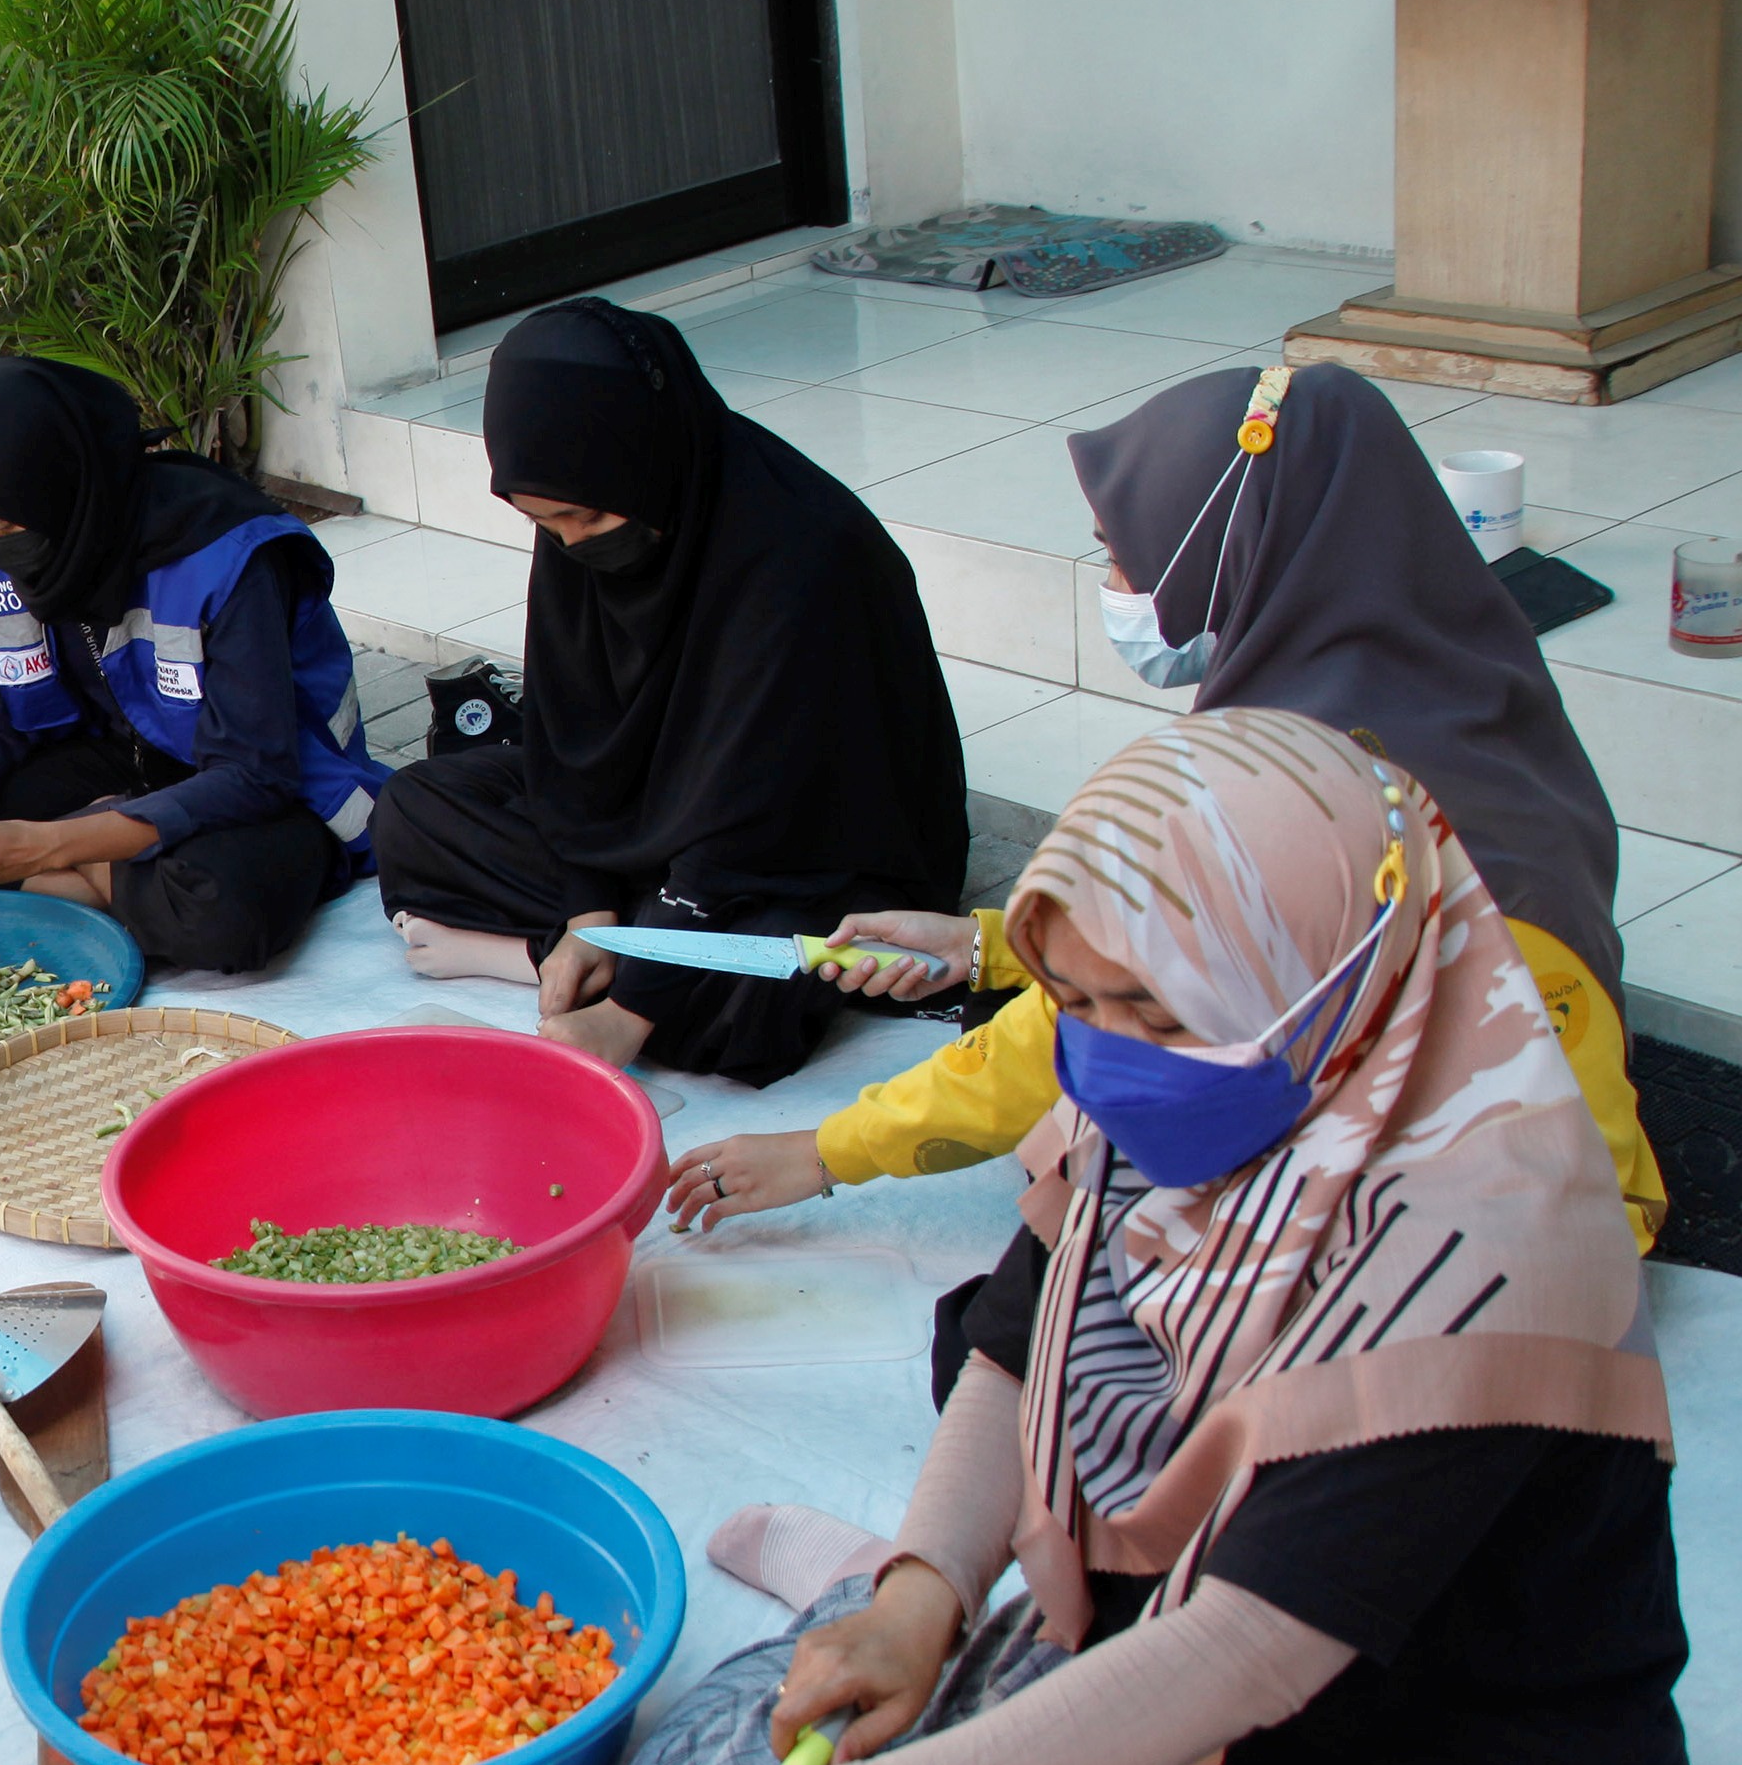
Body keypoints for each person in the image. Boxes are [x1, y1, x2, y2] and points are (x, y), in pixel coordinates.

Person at [613, 711, 1692, 1765]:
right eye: (1078, 1000)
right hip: (1123, 1682)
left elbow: (1244, 1649)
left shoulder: (1482, 1241)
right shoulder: (1159, 1094)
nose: (1108, 1050)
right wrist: (922, 1590)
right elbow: (1014, 1345)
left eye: (1153, 1007)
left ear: (1331, 978)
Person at [660, 361, 1665, 1252]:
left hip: (1502, 1230)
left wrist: (828, 1150)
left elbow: (1083, 1026)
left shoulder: (1283, 785)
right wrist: (985, 948)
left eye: (1117, 549)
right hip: (1564, 1157)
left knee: (1074, 1168)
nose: (1112, 583)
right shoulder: (1463, 677)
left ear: (1231, 548)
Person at [372, 299, 967, 1081]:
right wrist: (590, 908)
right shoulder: (583, 524)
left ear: (642, 459)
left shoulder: (804, 557)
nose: (570, 542)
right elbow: (569, 744)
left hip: (811, 844)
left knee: (760, 999)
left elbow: (761, 815)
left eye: (581, 517)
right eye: (545, 524)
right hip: (649, 829)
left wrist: (629, 1015)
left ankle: (531, 956)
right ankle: (601, 944)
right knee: (415, 807)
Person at [0, 355, 390, 972]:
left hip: (267, 785)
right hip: (109, 760)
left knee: (223, 910)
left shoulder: (223, 556)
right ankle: (96, 886)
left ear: (66, 491)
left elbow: (254, 774)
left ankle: (65, 882)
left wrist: (49, 847)